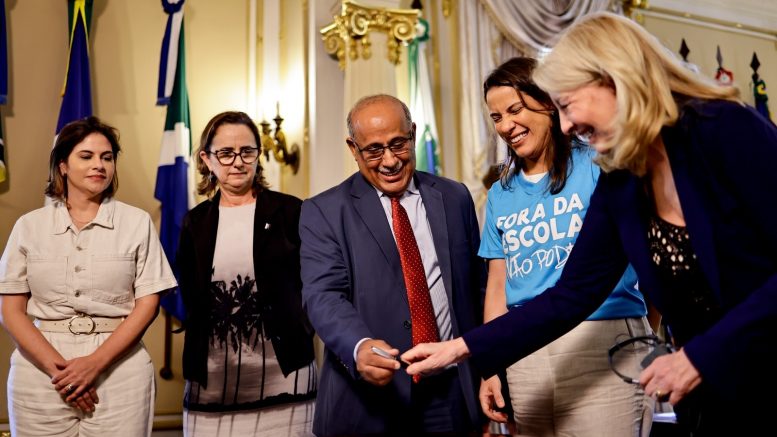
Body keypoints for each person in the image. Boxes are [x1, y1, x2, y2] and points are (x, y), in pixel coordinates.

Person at [402, 12, 777, 436]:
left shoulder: (726, 128)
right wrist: (461, 348)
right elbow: (572, 295)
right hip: (714, 398)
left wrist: (700, 356)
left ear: (612, 80)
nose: (565, 125)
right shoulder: (621, 180)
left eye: (565, 105)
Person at [478, 57, 652, 437]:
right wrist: (492, 364)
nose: (505, 126)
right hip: (526, 353)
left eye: (515, 110)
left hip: (602, 340)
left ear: (547, 102)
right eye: (496, 117)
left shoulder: (599, 164)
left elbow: (645, 253)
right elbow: (497, 286)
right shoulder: (499, 195)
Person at [299, 94, 485, 436]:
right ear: (353, 149)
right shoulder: (324, 211)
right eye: (373, 150)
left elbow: (479, 289)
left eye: (398, 144)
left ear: (412, 134)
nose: (389, 161)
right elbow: (323, 296)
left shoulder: (455, 197)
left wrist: (491, 369)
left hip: (453, 393)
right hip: (370, 404)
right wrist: (358, 346)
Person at [0, 116, 176, 436]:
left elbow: (148, 305)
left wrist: (94, 364)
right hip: (39, 374)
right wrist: (64, 374)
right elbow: (10, 312)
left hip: (120, 371)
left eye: (107, 157)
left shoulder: (137, 223)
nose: (99, 165)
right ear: (63, 165)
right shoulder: (29, 226)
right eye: (87, 156)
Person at [177, 111, 316, 437]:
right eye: (226, 153)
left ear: (258, 154)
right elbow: (190, 294)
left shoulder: (291, 212)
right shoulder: (195, 223)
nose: (237, 162)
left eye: (247, 151)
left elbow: (313, 285)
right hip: (212, 378)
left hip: (285, 373)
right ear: (207, 159)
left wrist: (302, 329)